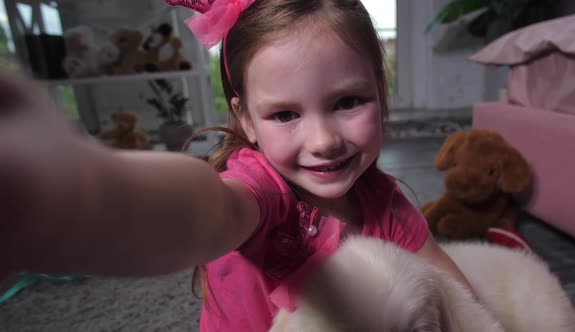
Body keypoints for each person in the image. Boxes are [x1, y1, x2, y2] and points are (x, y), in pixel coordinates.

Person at [1, 0, 479, 330]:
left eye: (348, 101)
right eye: (285, 114)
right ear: (247, 119)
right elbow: (202, 209)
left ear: (380, 90)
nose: (324, 140)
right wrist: (84, 194)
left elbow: (461, 301)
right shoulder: (258, 191)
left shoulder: (385, 203)